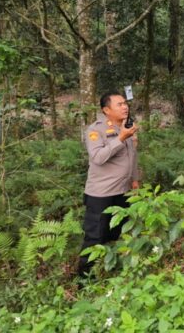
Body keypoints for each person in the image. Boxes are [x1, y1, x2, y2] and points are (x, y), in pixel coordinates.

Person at [77, 92, 139, 277]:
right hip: (101, 195)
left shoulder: (127, 127)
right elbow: (98, 157)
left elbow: (132, 157)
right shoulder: (95, 130)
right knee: (96, 237)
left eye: (125, 103)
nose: (125, 107)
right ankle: (85, 280)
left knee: (118, 233)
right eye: (119, 104)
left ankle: (112, 273)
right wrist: (120, 138)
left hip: (124, 192)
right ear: (106, 110)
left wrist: (135, 180)